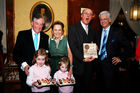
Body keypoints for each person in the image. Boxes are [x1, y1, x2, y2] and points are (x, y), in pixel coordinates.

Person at [95, 11, 131, 93]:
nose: (102, 21)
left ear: (109, 20)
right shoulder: (97, 32)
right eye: (101, 19)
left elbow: (128, 47)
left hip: (111, 66)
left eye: (105, 19)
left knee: (110, 89)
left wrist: (121, 58)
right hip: (98, 66)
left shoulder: (117, 32)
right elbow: (97, 47)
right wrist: (95, 47)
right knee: (99, 88)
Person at [13, 14, 49, 93]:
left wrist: (47, 67)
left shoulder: (46, 37)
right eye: (37, 23)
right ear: (32, 23)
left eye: (41, 24)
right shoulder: (22, 35)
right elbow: (15, 54)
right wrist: (24, 65)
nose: (39, 26)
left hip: (41, 76)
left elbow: (47, 55)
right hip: (25, 75)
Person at [68, 8, 96, 93]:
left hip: (89, 67)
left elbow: (92, 45)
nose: (88, 15)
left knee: (87, 88)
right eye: (86, 13)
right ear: (81, 15)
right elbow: (73, 47)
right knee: (78, 89)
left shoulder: (92, 30)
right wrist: (83, 58)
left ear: (91, 18)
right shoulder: (73, 28)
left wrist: (95, 47)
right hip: (78, 66)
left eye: (90, 14)